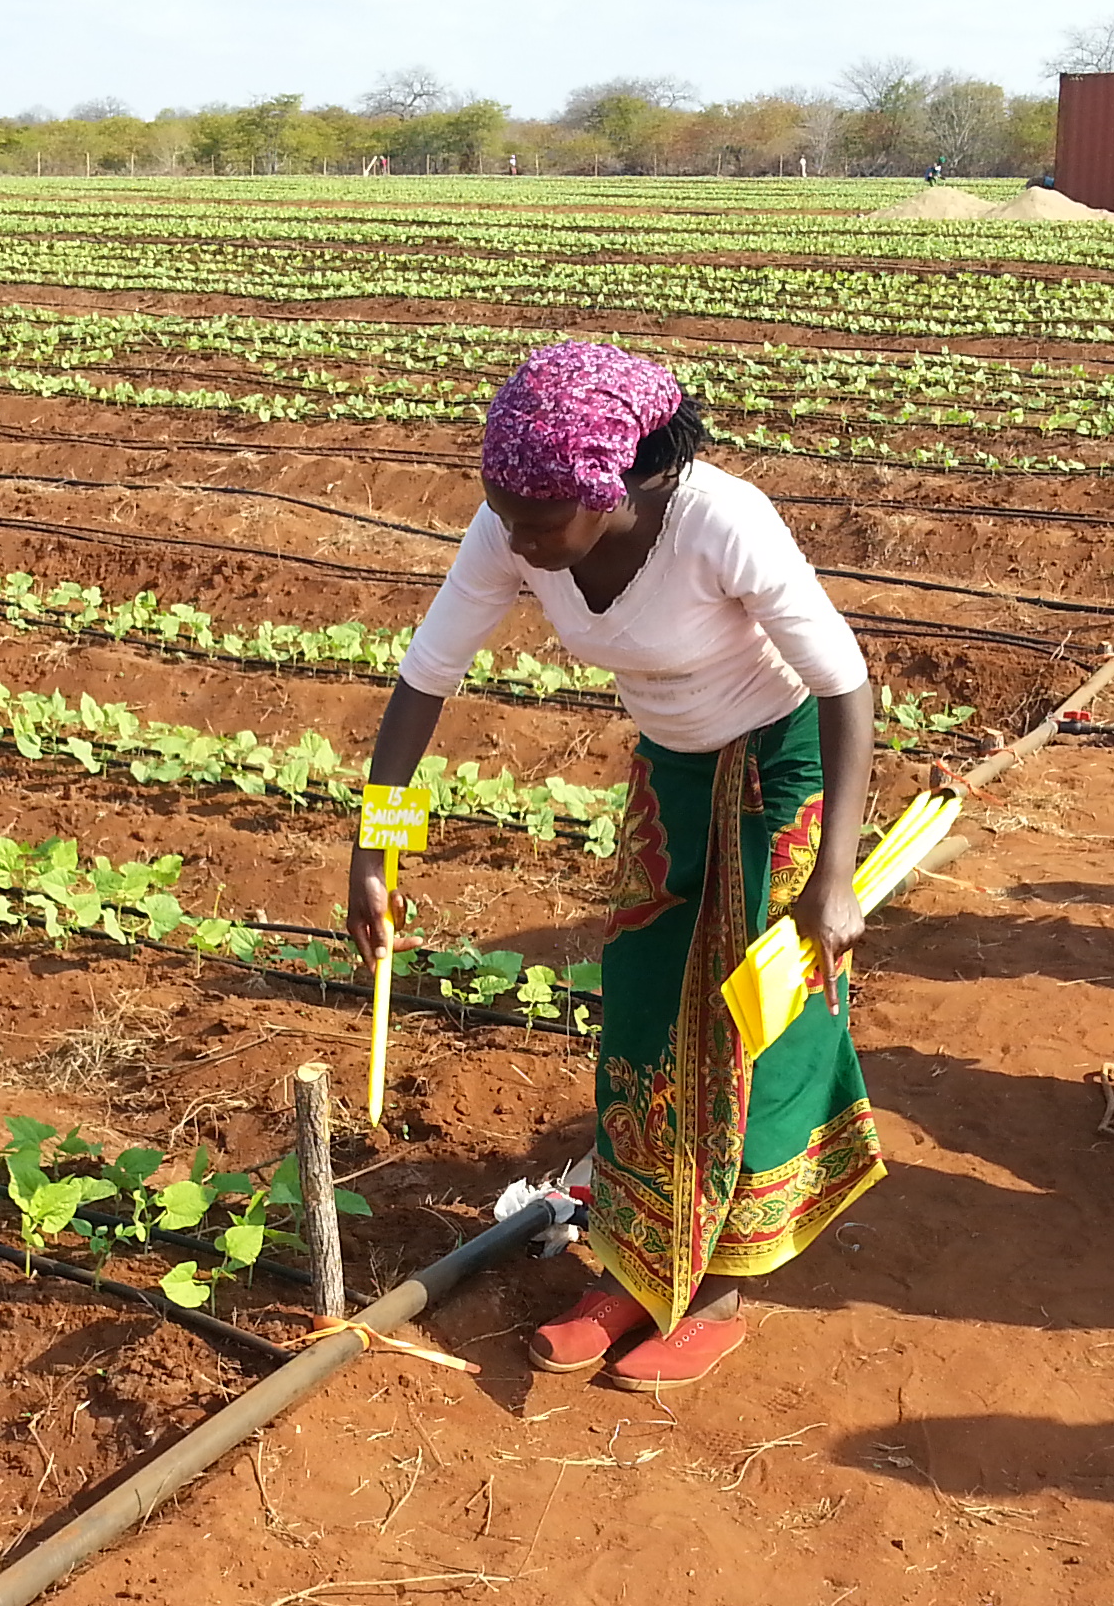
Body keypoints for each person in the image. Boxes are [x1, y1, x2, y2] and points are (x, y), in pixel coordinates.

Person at [349, 343, 883, 1392]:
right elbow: (425, 680)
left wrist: (835, 872)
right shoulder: (519, 523)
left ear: (615, 491)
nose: (518, 539)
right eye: (503, 512)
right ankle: (641, 1264)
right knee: (641, 1010)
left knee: (755, 1026)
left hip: (782, 772)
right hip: (672, 778)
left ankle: (720, 1290)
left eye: (540, 522)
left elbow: (846, 686)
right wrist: (375, 846)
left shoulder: (720, 522)